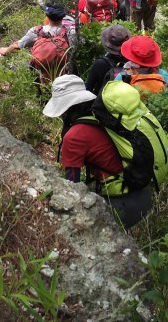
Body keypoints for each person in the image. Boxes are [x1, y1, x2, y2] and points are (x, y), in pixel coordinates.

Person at [43, 75, 154, 228]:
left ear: (66, 108)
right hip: (142, 192)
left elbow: (71, 185)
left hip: (122, 202)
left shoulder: (74, 136)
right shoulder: (104, 116)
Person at [0, 4, 76, 82]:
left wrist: (6, 50)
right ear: (63, 17)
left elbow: (17, 46)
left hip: (41, 79)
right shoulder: (70, 32)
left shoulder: (37, 31)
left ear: (47, 16)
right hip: (64, 77)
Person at [85, 25, 132, 95]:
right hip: (124, 102)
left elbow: (88, 88)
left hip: (102, 102)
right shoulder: (132, 63)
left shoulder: (100, 64)